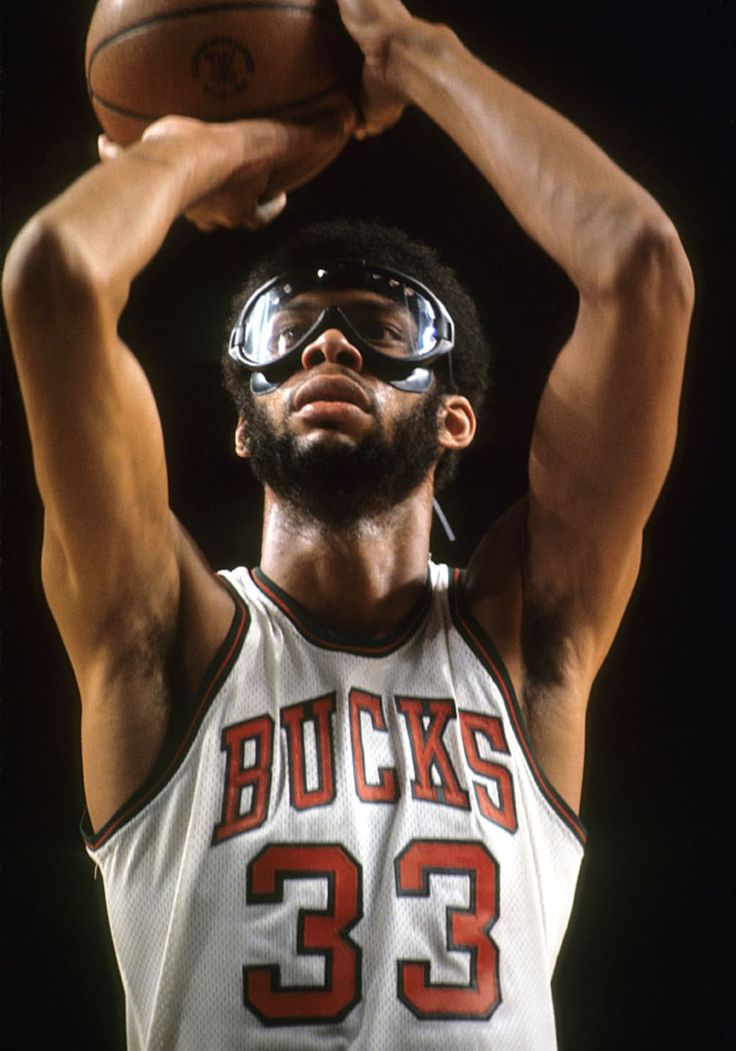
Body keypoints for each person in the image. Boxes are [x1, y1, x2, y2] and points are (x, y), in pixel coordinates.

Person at [2, 1, 693, 1047]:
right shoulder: (166, 640)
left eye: (377, 332)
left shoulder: (526, 638)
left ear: (453, 414)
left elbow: (642, 267)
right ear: (244, 426)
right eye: (285, 337)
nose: (327, 351)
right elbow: (53, 275)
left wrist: (420, 55)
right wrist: (218, 145)